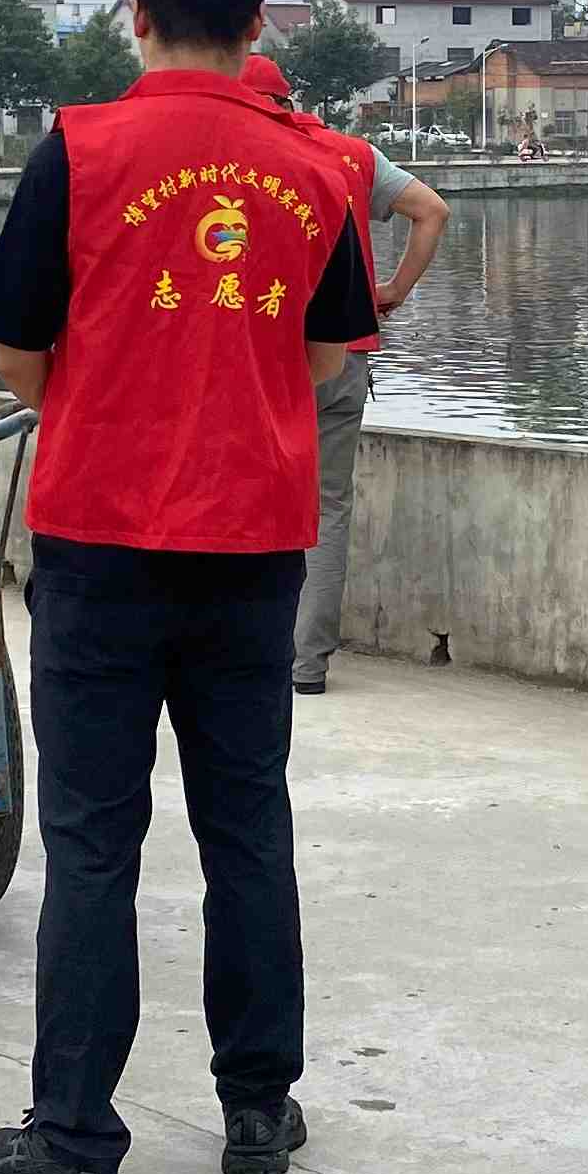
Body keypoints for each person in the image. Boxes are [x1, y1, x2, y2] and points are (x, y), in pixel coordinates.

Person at [0, 0, 379, 1174]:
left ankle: (76, 1143)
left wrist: (110, 399)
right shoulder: (316, 167)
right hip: (254, 548)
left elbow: (16, 352)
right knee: (246, 823)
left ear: (134, 17)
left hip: (100, 542)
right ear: (258, 22)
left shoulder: (79, 151)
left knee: (95, 839)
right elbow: (328, 356)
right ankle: (258, 1107)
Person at [240, 51, 450, 698]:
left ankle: (248, 654)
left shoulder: (234, 156)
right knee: (327, 508)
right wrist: (394, 291)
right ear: (289, 99)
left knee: (249, 499)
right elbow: (433, 210)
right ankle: (307, 666)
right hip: (345, 354)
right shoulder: (353, 155)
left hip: (258, 359)